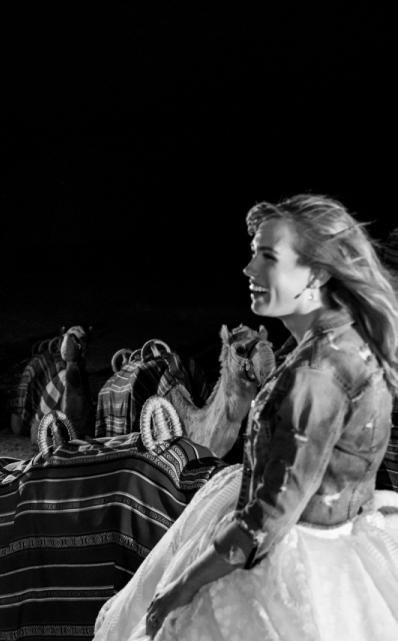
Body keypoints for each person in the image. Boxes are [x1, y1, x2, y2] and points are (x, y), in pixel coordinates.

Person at [94, 194, 398, 641]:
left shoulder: (316, 375)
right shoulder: (346, 343)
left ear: (314, 272)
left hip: (287, 569)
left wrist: (179, 590)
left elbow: (265, 520)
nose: (249, 269)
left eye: (268, 256)